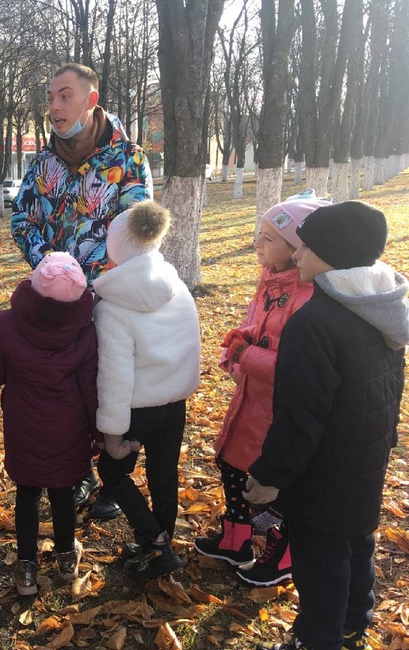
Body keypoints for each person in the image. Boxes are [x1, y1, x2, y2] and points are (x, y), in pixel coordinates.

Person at [244, 202, 408, 650]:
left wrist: (270, 476)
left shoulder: (314, 323)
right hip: (366, 458)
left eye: (307, 247)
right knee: (357, 544)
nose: (297, 255)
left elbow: (299, 415)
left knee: (320, 560)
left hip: (323, 471)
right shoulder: (381, 307)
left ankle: (318, 639)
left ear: (333, 253)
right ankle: (354, 625)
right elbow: (390, 389)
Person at [11, 62, 153, 516]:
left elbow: (137, 228)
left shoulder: (128, 158)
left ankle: (116, 479)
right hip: (55, 302)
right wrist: (50, 270)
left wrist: (97, 277)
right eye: (50, 97)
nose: (53, 106)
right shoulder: (43, 163)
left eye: (64, 95)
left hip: (110, 296)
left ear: (91, 100)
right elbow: (22, 219)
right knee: (68, 388)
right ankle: (78, 472)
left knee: (114, 384)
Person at [193, 196, 331, 587]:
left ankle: (281, 552)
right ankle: (236, 539)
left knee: (275, 484)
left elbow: (294, 368)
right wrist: (236, 351)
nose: (257, 244)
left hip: (281, 410)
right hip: (252, 399)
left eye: (268, 238)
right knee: (232, 466)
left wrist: (246, 355)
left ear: (297, 248)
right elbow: (257, 325)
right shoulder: (271, 281)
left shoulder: (307, 297)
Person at [0, 252, 98, 596]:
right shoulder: (85, 331)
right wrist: (98, 430)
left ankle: (27, 567)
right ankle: (66, 558)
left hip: (23, 421)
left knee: (27, 492)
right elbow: (90, 384)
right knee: (62, 490)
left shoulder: (7, 323)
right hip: (68, 423)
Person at [93, 201, 201, 579]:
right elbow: (190, 344)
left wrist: (112, 434)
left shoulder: (111, 305)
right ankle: (162, 541)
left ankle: (153, 539)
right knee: (163, 473)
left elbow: (114, 374)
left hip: (137, 408)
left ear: (115, 247)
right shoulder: (177, 286)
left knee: (112, 470)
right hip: (174, 403)